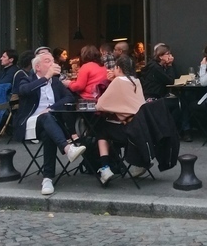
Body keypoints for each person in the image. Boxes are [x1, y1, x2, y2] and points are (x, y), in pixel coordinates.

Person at [17, 47, 86, 196]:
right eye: (47, 61)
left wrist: (51, 108)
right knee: (45, 118)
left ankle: (47, 179)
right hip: (31, 124)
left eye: (53, 61)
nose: (52, 64)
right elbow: (24, 91)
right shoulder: (26, 79)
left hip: (51, 124)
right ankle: (68, 149)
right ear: (37, 66)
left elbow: (69, 98)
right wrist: (45, 78)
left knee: (48, 128)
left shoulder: (55, 82)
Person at [93, 55, 146, 184]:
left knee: (101, 130)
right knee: (109, 126)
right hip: (141, 129)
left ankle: (105, 168)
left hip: (127, 131)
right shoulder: (136, 81)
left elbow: (100, 105)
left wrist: (113, 80)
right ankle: (137, 163)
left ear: (118, 68)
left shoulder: (118, 81)